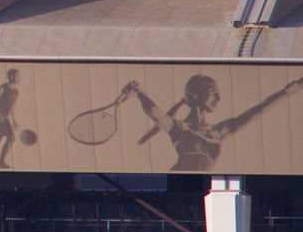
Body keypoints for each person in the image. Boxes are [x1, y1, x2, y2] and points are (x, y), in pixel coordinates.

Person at [121, 73, 303, 174]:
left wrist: (296, 86)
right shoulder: (180, 128)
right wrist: (139, 93)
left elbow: (259, 109)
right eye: (213, 91)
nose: (218, 97)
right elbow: (155, 113)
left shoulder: (219, 131)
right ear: (195, 93)